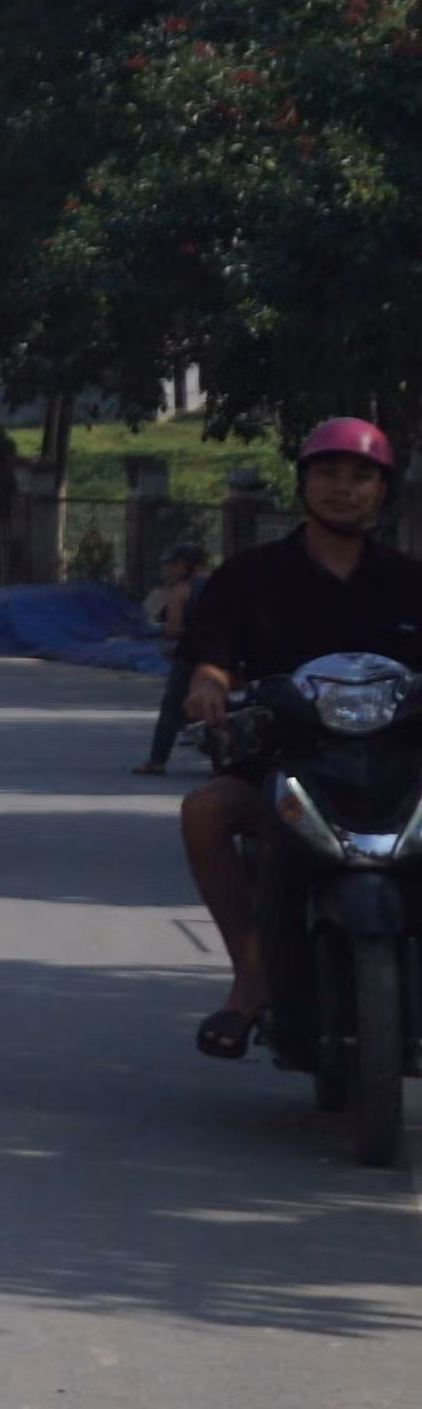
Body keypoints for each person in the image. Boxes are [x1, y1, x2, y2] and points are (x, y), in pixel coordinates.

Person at [171, 420, 422, 1061]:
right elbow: (213, 658)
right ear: (304, 483)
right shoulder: (250, 577)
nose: (344, 489)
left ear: (381, 492)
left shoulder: (408, 580)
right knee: (204, 811)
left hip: (397, 770)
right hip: (287, 764)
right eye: (329, 473)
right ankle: (250, 980)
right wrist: (208, 688)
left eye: (361, 476)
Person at [139, 542, 216, 775]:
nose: (170, 571)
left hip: (191, 657)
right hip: (224, 657)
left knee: (171, 708)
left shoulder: (182, 590)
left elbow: (173, 629)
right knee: (219, 707)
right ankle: (219, 761)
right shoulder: (223, 583)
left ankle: (157, 761)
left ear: (185, 565)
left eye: (173, 565)